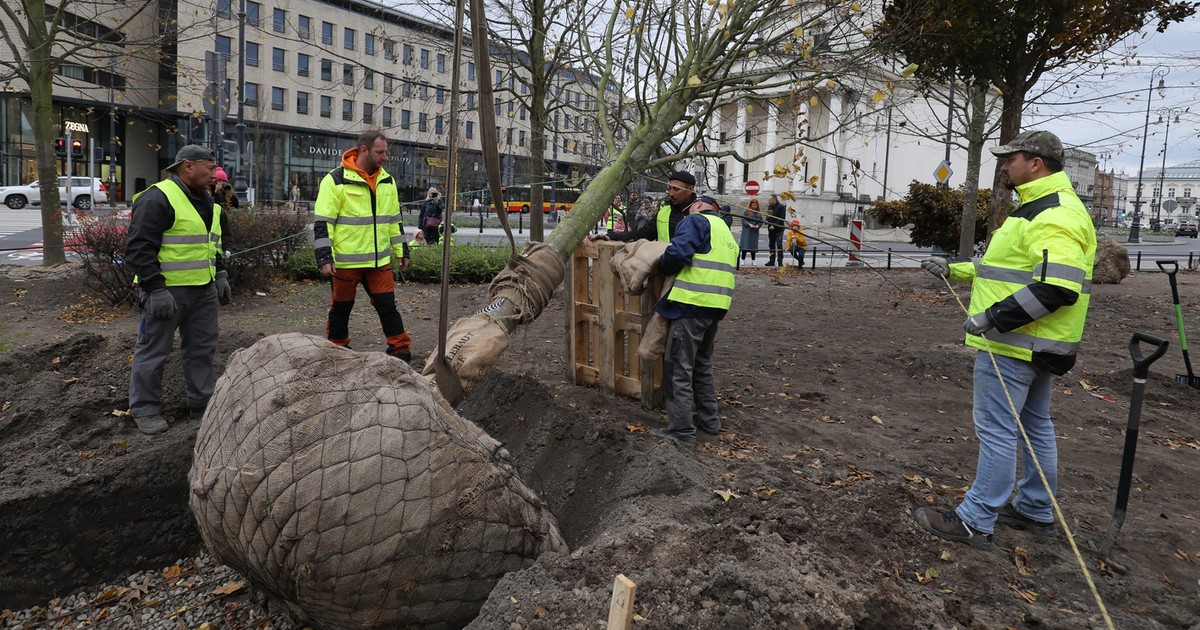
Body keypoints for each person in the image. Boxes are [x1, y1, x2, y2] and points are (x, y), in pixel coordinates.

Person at [914, 130, 1096, 548]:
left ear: (1035, 163)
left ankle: (975, 520)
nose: (1003, 165)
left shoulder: (1052, 213)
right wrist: (955, 270)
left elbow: (1057, 288)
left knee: (998, 431)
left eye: (1010, 158)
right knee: (1035, 427)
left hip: (1017, 344)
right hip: (1039, 343)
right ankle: (1034, 508)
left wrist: (992, 318)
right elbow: (1005, 269)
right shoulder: (1038, 208)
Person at [125, 144, 232, 435]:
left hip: (202, 291)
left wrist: (220, 272)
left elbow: (211, 243)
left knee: (201, 349)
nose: (214, 174)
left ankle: (201, 402)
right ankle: (145, 409)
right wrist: (155, 288)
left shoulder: (206, 200)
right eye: (209, 168)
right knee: (153, 351)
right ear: (188, 166)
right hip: (167, 293)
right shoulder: (158, 198)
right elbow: (137, 248)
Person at [313, 129, 414, 362]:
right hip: (346, 262)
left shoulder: (387, 180)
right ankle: (337, 348)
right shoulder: (335, 180)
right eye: (380, 152)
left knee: (387, 305)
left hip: (379, 263)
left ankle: (400, 350)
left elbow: (394, 220)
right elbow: (323, 223)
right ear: (364, 150)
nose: (384, 157)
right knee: (341, 308)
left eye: (386, 152)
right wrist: (324, 257)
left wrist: (402, 251)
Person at [650, 194, 739, 448]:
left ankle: (682, 432)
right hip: (715, 307)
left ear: (699, 205)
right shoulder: (725, 230)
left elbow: (678, 254)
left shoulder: (696, 221)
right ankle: (709, 427)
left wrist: (663, 265)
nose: (686, 214)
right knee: (701, 366)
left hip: (691, 304)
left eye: (689, 209)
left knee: (678, 367)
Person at [605, 171, 697, 242]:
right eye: (669, 188)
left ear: (690, 190)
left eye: (676, 189)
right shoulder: (664, 212)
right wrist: (610, 236)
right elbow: (640, 235)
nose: (671, 193)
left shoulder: (702, 213)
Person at [765, 194, 788, 266]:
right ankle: (771, 261)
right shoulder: (770, 206)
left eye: (770, 200)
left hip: (779, 229)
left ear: (774, 200)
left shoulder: (781, 207)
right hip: (771, 229)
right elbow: (768, 215)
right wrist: (766, 220)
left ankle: (780, 262)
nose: (768, 201)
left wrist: (774, 226)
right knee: (771, 244)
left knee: (779, 245)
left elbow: (782, 219)